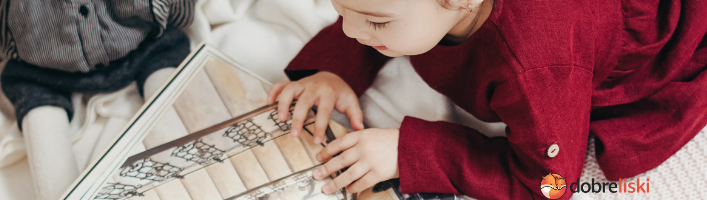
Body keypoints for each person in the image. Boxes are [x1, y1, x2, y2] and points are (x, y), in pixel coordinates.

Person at [267, 0, 707, 199]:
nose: (348, 31)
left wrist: (409, 151)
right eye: (340, 11)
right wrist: (332, 71)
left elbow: (550, 184)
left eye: (375, 23)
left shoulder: (534, 66)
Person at [0, 0, 195, 199]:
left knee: (176, 136)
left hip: (143, 40)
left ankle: (192, 181)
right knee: (41, 119)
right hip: (41, 63)